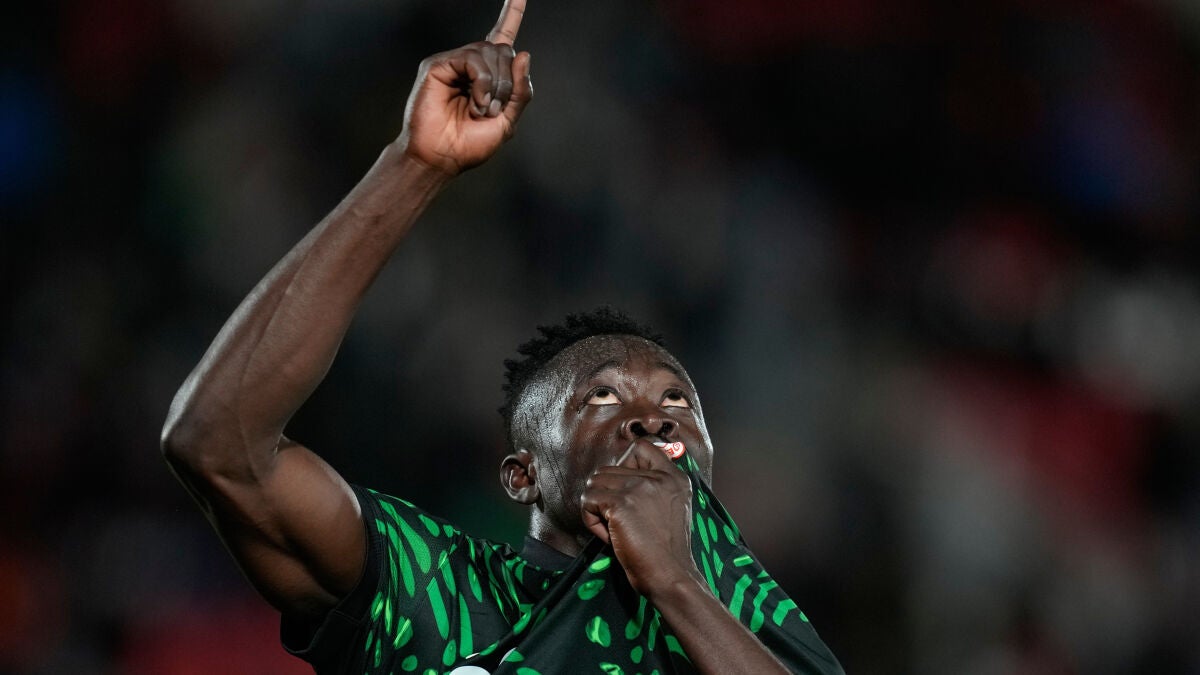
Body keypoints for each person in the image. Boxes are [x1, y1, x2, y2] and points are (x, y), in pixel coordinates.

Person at [161, 1, 843, 673]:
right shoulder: (434, 591)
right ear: (524, 476)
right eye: (602, 397)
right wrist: (415, 164)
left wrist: (676, 583)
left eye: (678, 402)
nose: (652, 418)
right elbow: (218, 445)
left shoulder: (753, 615)